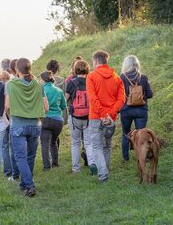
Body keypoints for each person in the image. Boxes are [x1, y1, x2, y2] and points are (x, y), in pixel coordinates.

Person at [5, 58, 48, 197]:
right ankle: (24, 184)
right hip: (35, 125)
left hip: (18, 124)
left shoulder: (10, 85)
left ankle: (29, 185)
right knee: (30, 156)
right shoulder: (39, 85)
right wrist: (38, 118)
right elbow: (46, 107)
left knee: (20, 157)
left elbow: (7, 106)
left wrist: (11, 116)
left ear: (17, 70)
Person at [86, 51, 125, 182]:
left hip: (96, 117)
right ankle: (105, 171)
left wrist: (103, 114)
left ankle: (103, 175)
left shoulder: (91, 76)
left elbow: (93, 98)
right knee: (107, 146)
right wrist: (111, 114)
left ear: (96, 62)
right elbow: (122, 99)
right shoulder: (117, 78)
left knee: (97, 146)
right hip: (110, 118)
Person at [119, 55, 153, 162]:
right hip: (141, 110)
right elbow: (150, 94)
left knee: (126, 133)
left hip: (125, 109)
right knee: (141, 135)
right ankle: (142, 158)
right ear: (137, 64)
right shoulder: (143, 77)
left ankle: (126, 159)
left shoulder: (121, 78)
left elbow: (117, 95)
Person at [65, 60, 95, 174]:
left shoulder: (71, 83)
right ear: (87, 69)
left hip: (75, 117)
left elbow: (65, 98)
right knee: (88, 142)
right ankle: (92, 163)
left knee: (75, 143)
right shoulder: (90, 81)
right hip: (89, 116)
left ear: (75, 69)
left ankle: (76, 168)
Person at [39, 71, 66, 171]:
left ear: (43, 80)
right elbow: (63, 106)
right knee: (53, 142)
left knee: (45, 144)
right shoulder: (59, 90)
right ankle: (55, 163)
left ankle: (46, 166)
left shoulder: (42, 90)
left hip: (46, 118)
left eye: (40, 79)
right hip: (58, 120)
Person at [1, 59, 20, 181]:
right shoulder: (18, 81)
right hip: (17, 117)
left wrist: (8, 115)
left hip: (7, 117)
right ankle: (16, 170)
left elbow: (6, 105)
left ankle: (9, 171)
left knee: (5, 145)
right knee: (15, 146)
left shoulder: (7, 84)